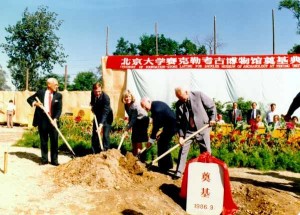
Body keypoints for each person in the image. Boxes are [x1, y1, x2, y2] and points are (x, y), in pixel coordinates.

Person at [173, 87, 216, 179]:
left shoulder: (198, 95)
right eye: (179, 98)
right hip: (189, 130)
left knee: (206, 151)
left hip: (202, 128)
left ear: (186, 92)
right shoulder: (179, 104)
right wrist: (181, 136)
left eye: (182, 97)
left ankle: (206, 172)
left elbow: (212, 106)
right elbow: (179, 122)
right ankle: (179, 172)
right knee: (183, 149)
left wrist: (212, 119)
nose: (181, 100)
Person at [27, 78, 62, 166]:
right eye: (56, 84)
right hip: (42, 120)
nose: (57, 86)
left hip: (53, 121)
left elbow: (59, 109)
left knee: (54, 141)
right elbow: (29, 99)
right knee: (44, 141)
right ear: (49, 84)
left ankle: (54, 161)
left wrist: (55, 119)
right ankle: (44, 159)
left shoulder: (58, 95)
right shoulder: (40, 93)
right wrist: (36, 103)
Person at [140, 97, 177, 172]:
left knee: (163, 143)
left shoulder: (157, 110)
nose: (144, 108)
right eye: (142, 107)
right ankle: (166, 165)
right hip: (168, 125)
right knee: (162, 142)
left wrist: (151, 140)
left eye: (144, 106)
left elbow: (156, 127)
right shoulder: (155, 106)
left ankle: (164, 166)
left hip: (173, 126)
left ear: (149, 101)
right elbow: (159, 123)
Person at [121, 89, 149, 156]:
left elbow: (133, 119)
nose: (128, 98)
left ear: (131, 97)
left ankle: (140, 157)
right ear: (124, 98)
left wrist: (127, 128)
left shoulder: (134, 106)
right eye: (126, 97)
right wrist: (128, 126)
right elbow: (131, 117)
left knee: (138, 139)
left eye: (129, 96)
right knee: (134, 138)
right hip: (136, 120)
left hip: (143, 119)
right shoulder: (126, 105)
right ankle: (134, 155)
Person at [90, 82, 113, 153]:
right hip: (97, 115)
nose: (97, 93)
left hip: (107, 117)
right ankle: (95, 152)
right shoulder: (92, 94)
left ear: (101, 89)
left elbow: (105, 112)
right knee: (95, 134)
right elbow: (93, 102)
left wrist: (100, 125)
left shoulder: (106, 98)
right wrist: (93, 107)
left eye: (99, 91)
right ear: (93, 90)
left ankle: (106, 152)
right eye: (96, 92)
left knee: (105, 135)